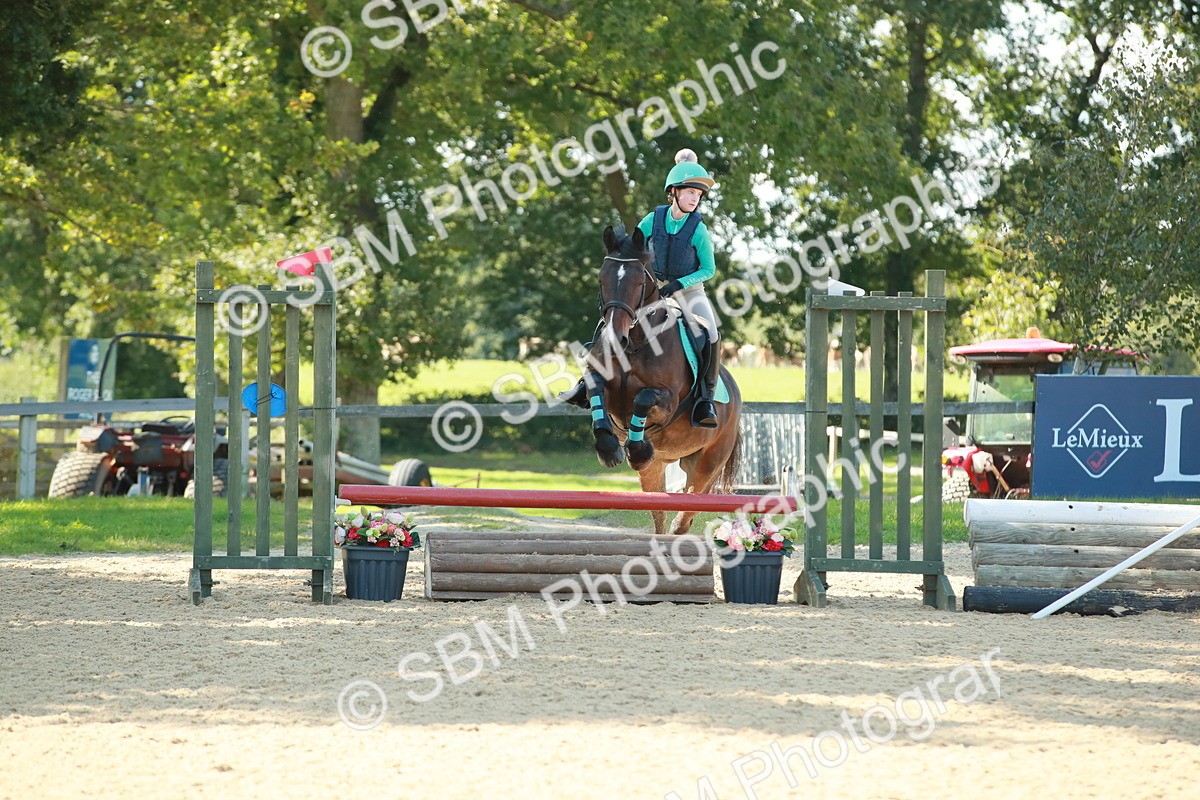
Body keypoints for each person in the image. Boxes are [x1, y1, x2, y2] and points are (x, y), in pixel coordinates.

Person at [559, 149, 722, 428]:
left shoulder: (698, 229)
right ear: (673, 192)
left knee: (711, 333)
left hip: (689, 291)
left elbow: (709, 269)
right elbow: (631, 249)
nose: (695, 198)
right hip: (652, 289)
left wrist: (678, 284)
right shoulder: (652, 220)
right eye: (690, 192)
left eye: (698, 194)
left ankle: (706, 398)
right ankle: (586, 383)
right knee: (611, 320)